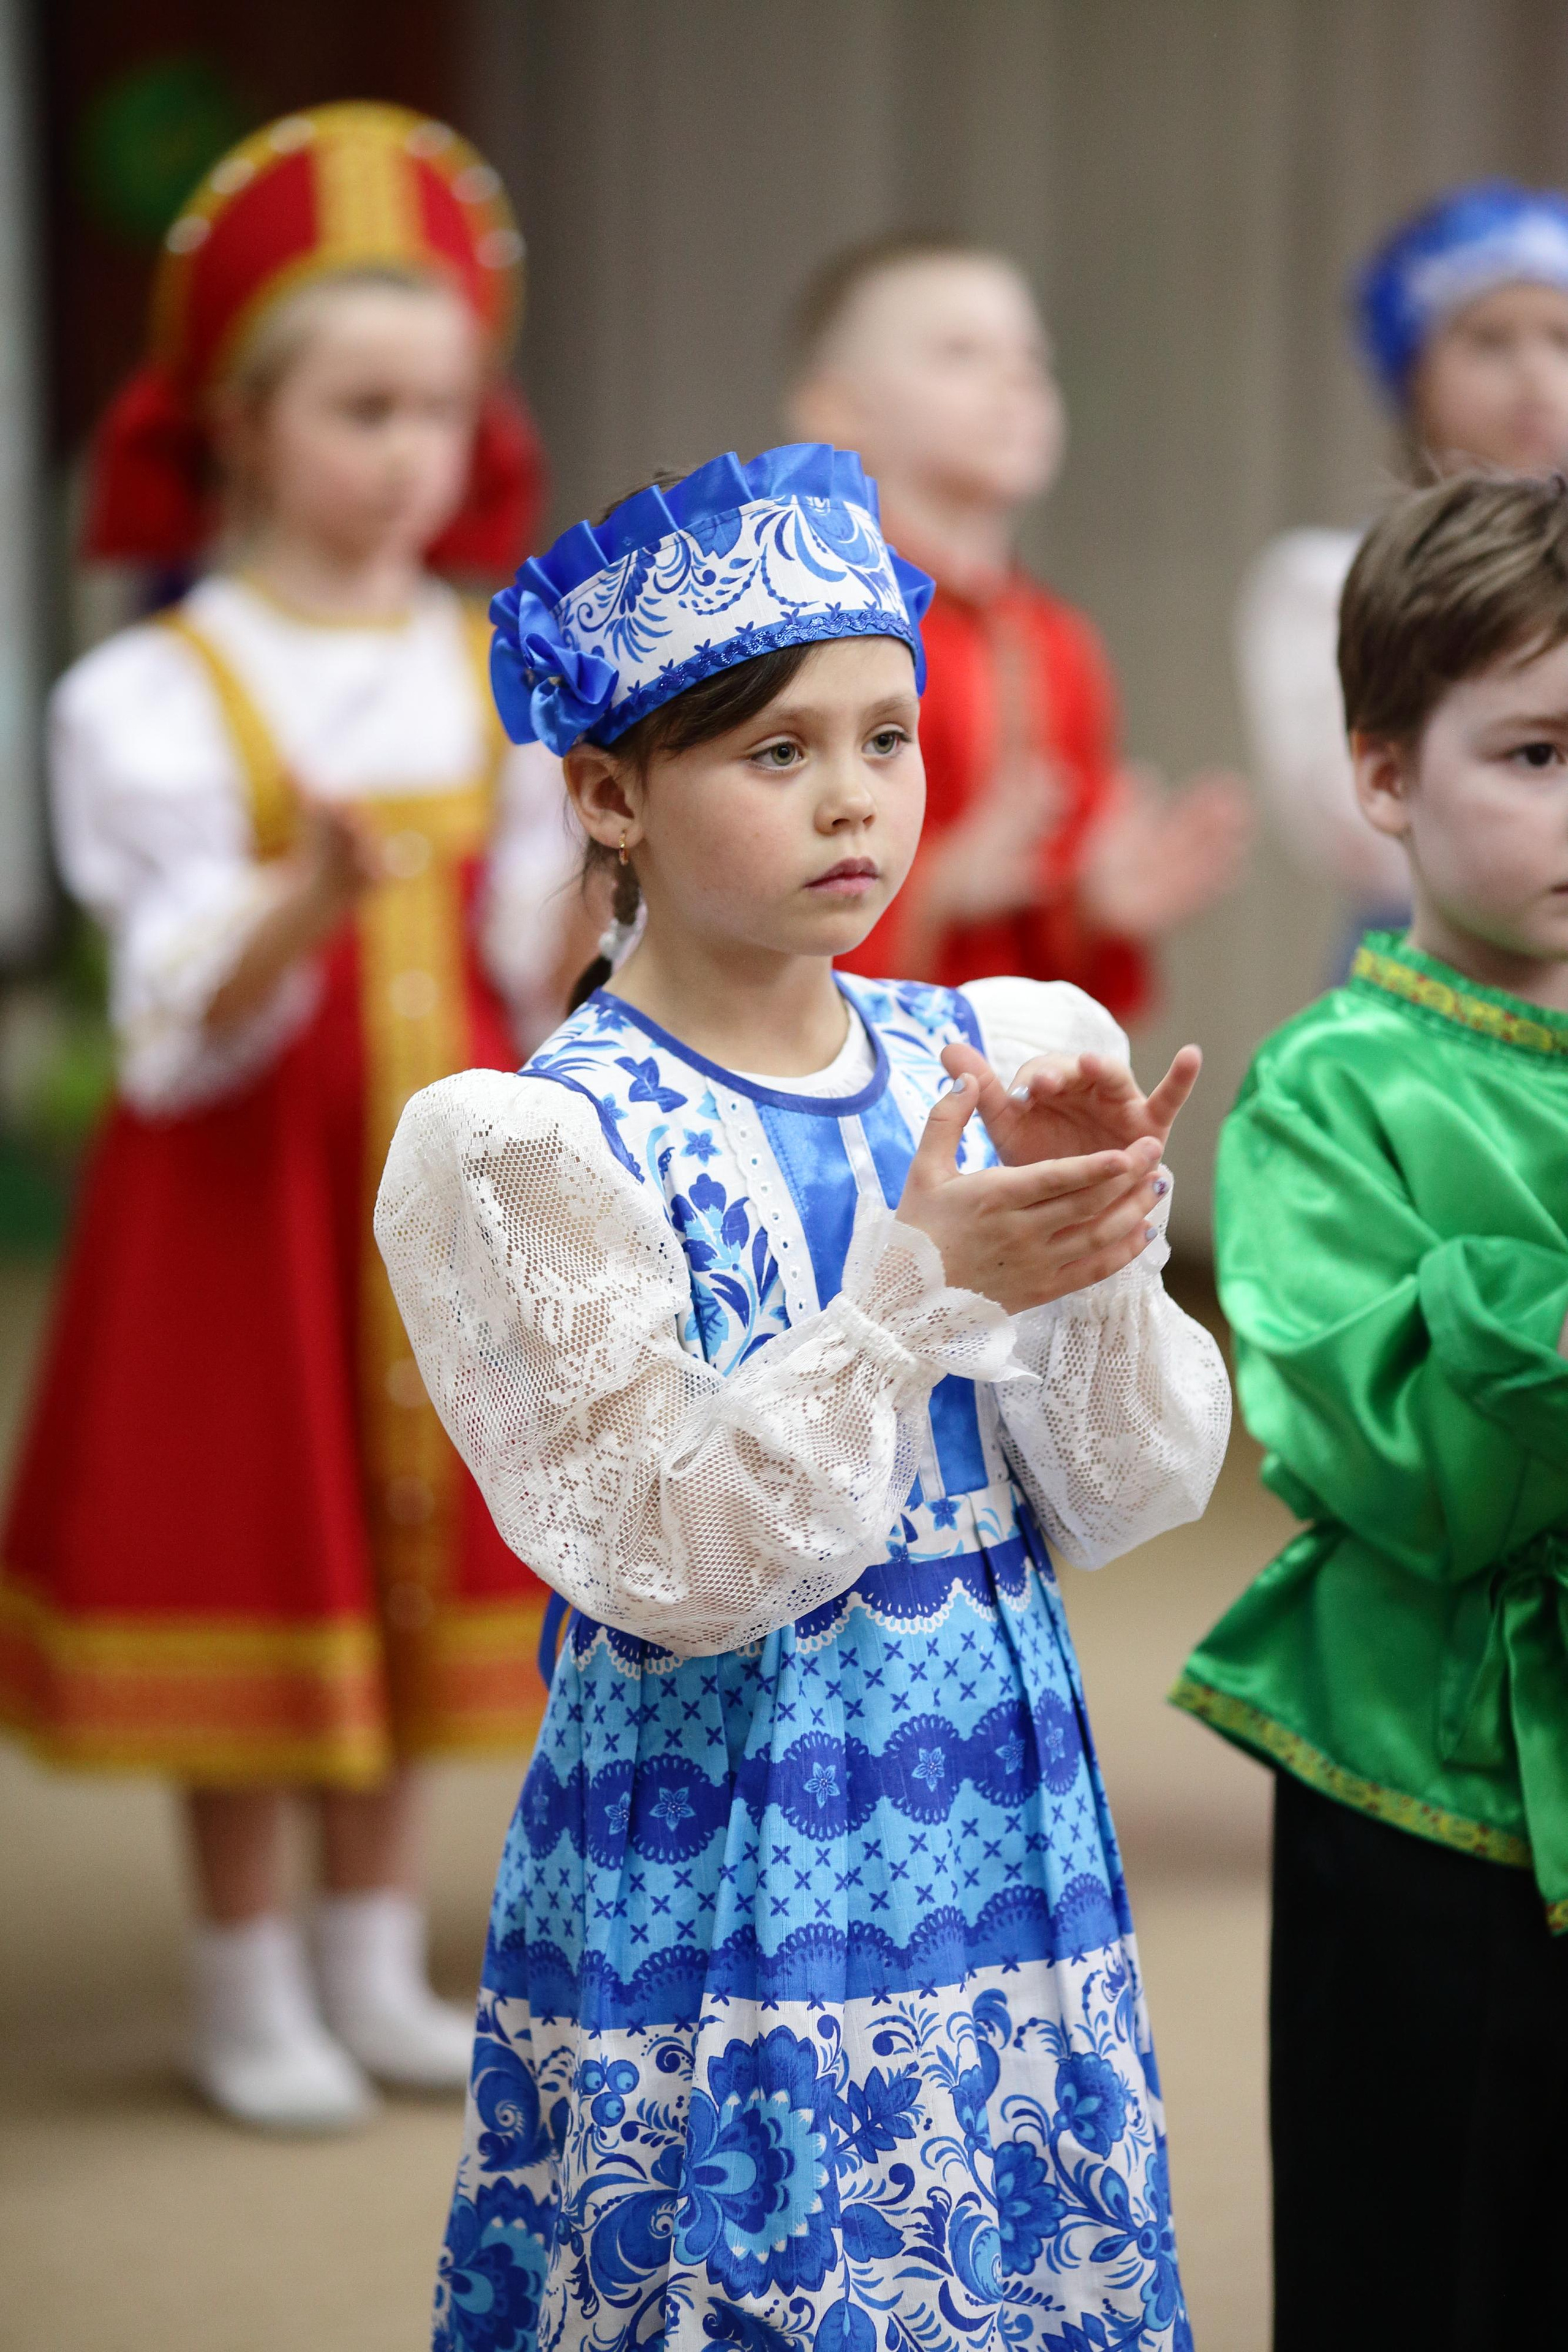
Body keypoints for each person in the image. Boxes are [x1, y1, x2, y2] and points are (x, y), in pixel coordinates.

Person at [377, 443, 1233, 2352]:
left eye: (888, 739)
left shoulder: (994, 1048)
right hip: (725, 1795)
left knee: (992, 2223)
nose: (855, 799)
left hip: (986, 1771)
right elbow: (669, 1558)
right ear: (608, 790)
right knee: (753, 2251)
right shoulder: (537, 1141)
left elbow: (1131, 1489)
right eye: (776, 753)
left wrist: (1094, 1254)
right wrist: (910, 1294)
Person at [0, 104, 582, 2132]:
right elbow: (172, 1006)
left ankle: (368, 1948)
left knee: (422, 1561)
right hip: (246, 1202)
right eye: (359, 407)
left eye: (439, 408)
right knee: (271, 1548)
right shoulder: (160, 693)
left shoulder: (490, 665)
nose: (410, 451)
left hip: (441, 1191)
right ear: (237, 425)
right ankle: (245, 1974)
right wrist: (310, 898)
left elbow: (528, 951)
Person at [1173, 472, 1568, 2349]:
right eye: (1536, 751)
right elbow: (1404, 1460)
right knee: (1416, 2240)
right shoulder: (1330, 1086)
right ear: (1385, 777)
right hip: (1427, 1777)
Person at [787, 235, 1251, 1025]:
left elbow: (1051, 970)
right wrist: (935, 886)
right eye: (959, 353)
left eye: (1033, 358)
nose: (1018, 381)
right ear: (837, 409)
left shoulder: (1059, 645)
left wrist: (1096, 908)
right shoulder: (799, 619)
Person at [1239, 181, 1568, 961]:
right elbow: (1354, 834)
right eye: (1490, 340)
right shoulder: (1326, 579)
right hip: (1422, 980)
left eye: (1561, 339)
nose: (1534, 373)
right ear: (1414, 370)